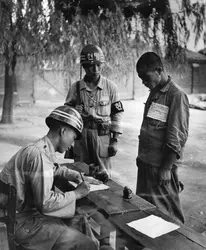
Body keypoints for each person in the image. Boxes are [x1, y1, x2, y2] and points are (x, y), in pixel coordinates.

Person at [0, 105, 101, 250]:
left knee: (81, 221)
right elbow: (46, 203)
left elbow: (53, 169)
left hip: (16, 215)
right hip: (20, 223)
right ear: (63, 131)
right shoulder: (40, 156)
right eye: (73, 138)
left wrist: (76, 175)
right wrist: (77, 193)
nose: (72, 145)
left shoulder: (39, 148)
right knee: (86, 243)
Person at [135, 52, 190, 224]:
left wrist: (166, 168)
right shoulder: (154, 92)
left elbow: (176, 138)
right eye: (140, 78)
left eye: (145, 77)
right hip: (146, 164)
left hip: (160, 169)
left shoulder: (176, 96)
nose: (143, 82)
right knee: (146, 213)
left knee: (169, 217)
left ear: (159, 70)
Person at [65, 44, 124, 178]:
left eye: (98, 65)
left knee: (103, 175)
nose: (96, 69)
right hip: (82, 136)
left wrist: (115, 140)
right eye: (91, 66)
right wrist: (74, 111)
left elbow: (117, 114)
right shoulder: (75, 88)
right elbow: (67, 114)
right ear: (84, 67)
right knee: (80, 173)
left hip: (102, 136)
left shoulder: (110, 87)